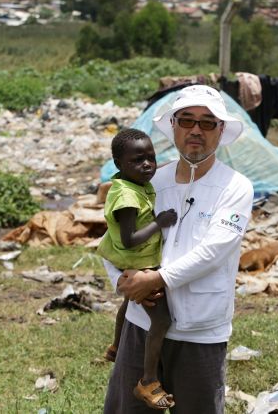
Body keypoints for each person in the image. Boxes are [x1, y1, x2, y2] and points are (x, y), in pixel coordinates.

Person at [103, 85, 254, 414]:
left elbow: (215, 250)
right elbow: (115, 237)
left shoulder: (236, 187)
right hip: (141, 323)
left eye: (207, 122)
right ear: (173, 126)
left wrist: (155, 280)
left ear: (221, 130)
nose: (196, 130)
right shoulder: (150, 180)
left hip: (201, 330)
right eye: (186, 120)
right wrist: (121, 280)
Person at [97, 128, 178, 410]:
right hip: (135, 261)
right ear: (119, 165)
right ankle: (148, 380)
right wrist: (161, 222)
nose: (147, 165)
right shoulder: (126, 197)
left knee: (127, 304)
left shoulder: (134, 184)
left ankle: (116, 346)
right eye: (137, 160)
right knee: (162, 320)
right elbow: (130, 240)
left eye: (151, 158)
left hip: (126, 259)